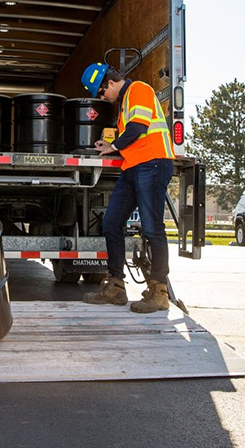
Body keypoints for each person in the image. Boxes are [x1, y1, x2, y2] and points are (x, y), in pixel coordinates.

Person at [79, 63, 175, 313]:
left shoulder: (139, 90)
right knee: (111, 222)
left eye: (101, 93)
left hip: (153, 164)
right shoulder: (124, 106)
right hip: (133, 167)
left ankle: (159, 291)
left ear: (109, 83)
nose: (103, 98)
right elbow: (130, 133)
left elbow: (139, 128)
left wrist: (114, 146)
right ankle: (116, 286)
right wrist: (110, 143)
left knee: (153, 228)